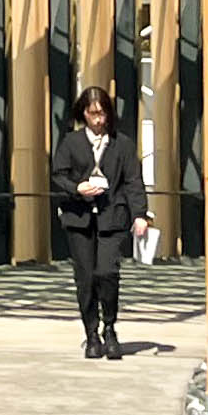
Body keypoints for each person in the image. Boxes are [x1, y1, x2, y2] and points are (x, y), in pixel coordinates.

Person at [51, 83, 147, 359]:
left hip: (111, 217)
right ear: (84, 113)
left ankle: (110, 326)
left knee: (107, 272)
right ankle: (91, 333)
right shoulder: (71, 142)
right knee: (85, 277)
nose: (98, 119)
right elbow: (59, 175)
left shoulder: (122, 144)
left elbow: (133, 182)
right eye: (93, 114)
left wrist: (140, 214)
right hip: (79, 218)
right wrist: (77, 188)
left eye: (102, 113)